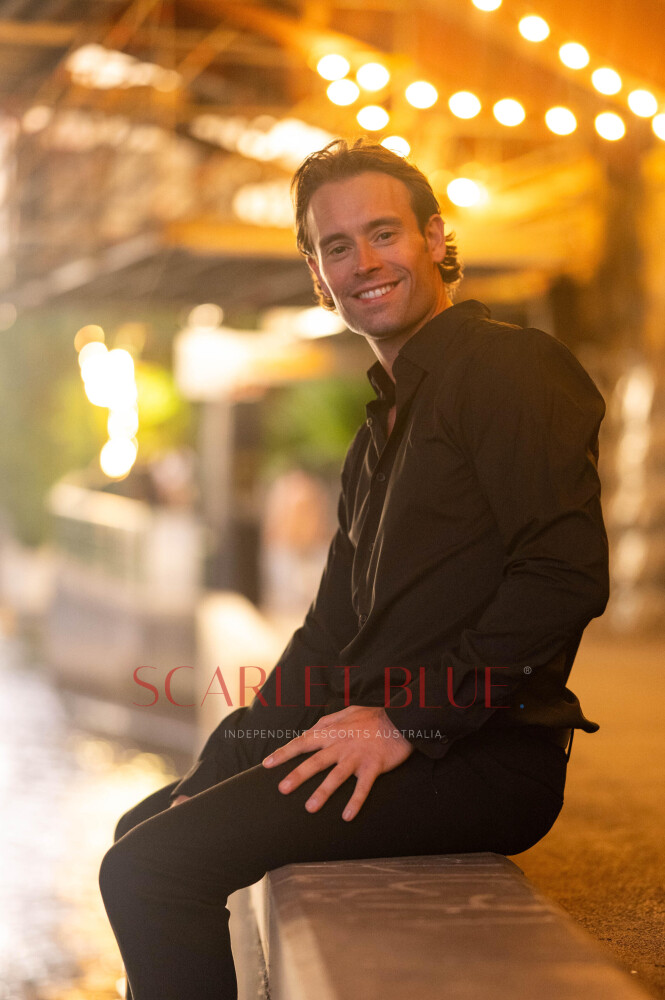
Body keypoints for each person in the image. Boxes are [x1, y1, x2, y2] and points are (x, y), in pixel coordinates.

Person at [99, 138, 609, 1000]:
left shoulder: (510, 368)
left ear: (434, 239)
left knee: (150, 872)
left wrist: (405, 719)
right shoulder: (378, 435)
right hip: (392, 738)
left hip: (482, 757)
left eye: (383, 233)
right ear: (317, 275)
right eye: (336, 246)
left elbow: (563, 573)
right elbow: (328, 637)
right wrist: (217, 770)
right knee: (142, 827)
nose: (364, 262)